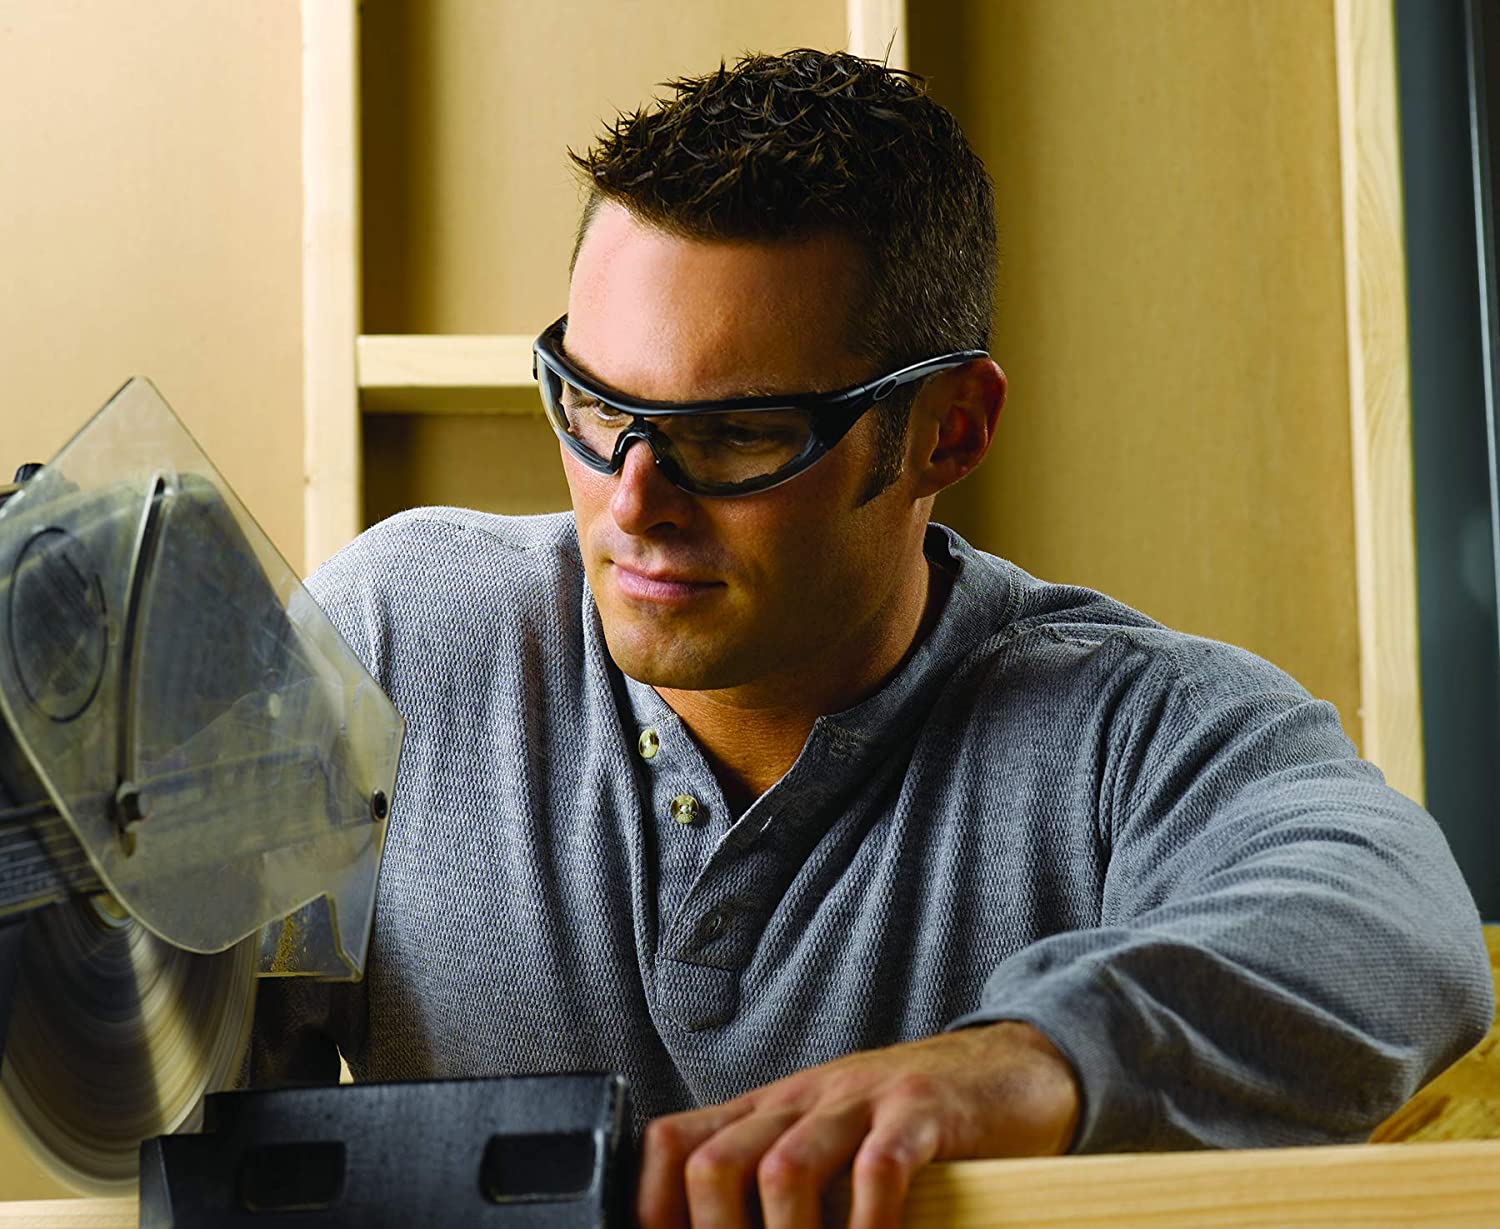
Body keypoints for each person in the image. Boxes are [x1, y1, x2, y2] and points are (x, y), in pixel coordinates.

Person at [252, 48, 1494, 1229]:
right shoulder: (397, 636)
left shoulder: (1130, 730)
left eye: (737, 433)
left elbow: (1403, 931)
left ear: (951, 428)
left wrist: (1021, 1061)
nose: (633, 501)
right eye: (592, 400)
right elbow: (178, 1042)